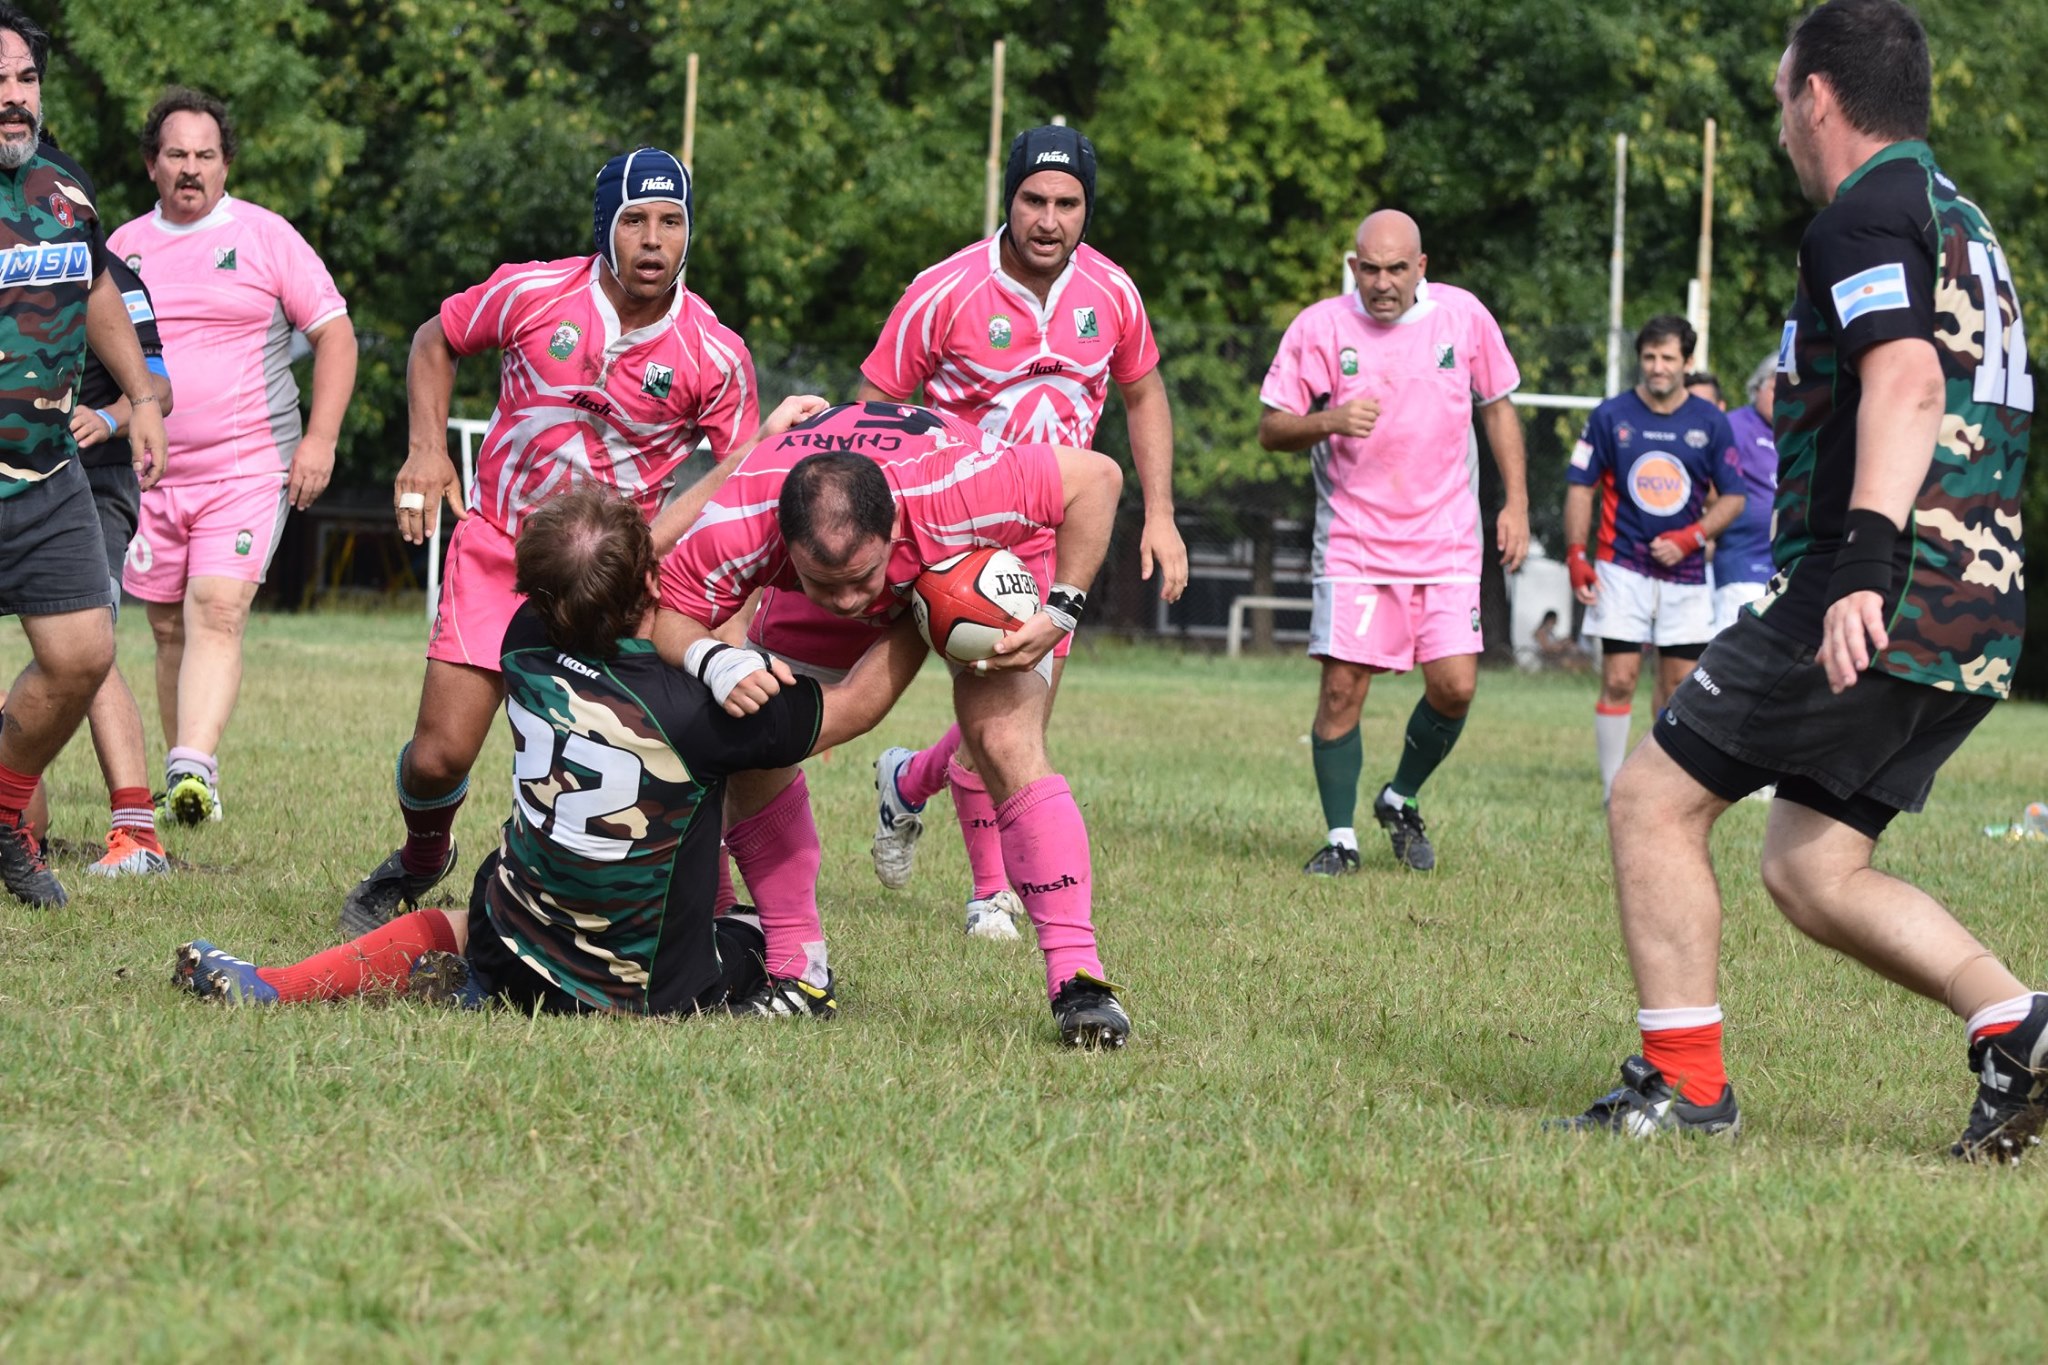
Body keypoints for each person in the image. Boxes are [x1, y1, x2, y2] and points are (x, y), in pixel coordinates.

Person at [1557, 0, 2044, 1161]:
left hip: (1874, 588)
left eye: (1782, 99)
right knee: (1810, 864)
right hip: (1977, 614)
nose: (1779, 123)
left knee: (1649, 802)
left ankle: (1684, 1088)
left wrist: (1862, 565)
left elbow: (1911, 384)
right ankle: (2016, 1025)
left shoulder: (1860, 214)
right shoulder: (1957, 220)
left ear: (1815, 97)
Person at [174, 484, 927, 1014]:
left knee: (467, 922)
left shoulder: (524, 642)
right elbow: (855, 706)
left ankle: (278, 982)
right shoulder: (706, 713)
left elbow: (618, 578)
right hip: (644, 987)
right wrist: (923, 605)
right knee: (762, 933)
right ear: (653, 582)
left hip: (514, 944)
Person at [337, 147, 763, 938]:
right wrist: (427, 448)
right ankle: (422, 855)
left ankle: (703, 902)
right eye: (635, 220)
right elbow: (435, 340)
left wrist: (736, 625)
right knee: (438, 757)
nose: (653, 240)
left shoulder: (715, 352)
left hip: (613, 578)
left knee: (651, 751)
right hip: (500, 545)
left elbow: (744, 478)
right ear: (607, 227)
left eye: (672, 223)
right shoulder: (533, 292)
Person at [653, 399, 1133, 1048]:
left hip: (960, 556)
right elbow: (668, 612)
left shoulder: (960, 486)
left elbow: (1098, 478)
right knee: (753, 732)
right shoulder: (743, 518)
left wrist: (1063, 609)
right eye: (829, 583)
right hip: (858, 553)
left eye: (862, 580)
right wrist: (714, 660)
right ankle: (799, 973)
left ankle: (1080, 982)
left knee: (1002, 739)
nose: (851, 604)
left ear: (893, 526)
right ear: (784, 545)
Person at [859, 125, 1189, 940]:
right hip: (960, 540)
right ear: (1008, 200)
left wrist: (1160, 514)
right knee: (1006, 722)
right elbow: (872, 401)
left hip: (1059, 532)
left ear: (1087, 207)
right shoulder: (944, 289)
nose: (1049, 219)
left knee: (1019, 723)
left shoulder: (1112, 292)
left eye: (1067, 203)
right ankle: (988, 893)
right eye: (1034, 200)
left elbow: (1143, 395)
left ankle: (908, 781)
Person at [106, 87, 357, 827]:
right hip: (146, 469)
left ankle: (191, 766)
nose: (191, 169)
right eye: (177, 155)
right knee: (165, 626)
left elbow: (336, 335)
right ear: (153, 165)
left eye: (205, 156)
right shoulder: (120, 248)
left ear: (225, 164)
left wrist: (321, 438)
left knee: (218, 605)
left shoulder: (266, 236)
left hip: (248, 466)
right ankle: (187, 764)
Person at [1255, 209, 1529, 876]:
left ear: (1421, 268)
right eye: (1370, 269)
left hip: (1447, 538)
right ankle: (1341, 837)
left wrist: (1516, 501)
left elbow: (1497, 406)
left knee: (1456, 686)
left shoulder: (1462, 318)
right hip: (1355, 540)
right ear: (1355, 267)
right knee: (1344, 690)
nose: (1382, 282)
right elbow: (1271, 428)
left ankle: (1399, 795)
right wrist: (1329, 420)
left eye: (1396, 269)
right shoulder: (1320, 326)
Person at [0, 6, 168, 907]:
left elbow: (94, 282)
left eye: (24, 81)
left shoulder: (64, 190)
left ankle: (3, 816)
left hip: (48, 475)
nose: (12, 99)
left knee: (82, 655)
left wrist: (141, 396)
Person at [1563, 315, 1744, 800]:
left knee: (1679, 686)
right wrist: (1577, 553)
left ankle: (1657, 790)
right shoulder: (1610, 416)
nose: (1658, 367)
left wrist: (1691, 537)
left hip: (1685, 578)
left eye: (1668, 358)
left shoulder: (1711, 423)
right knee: (1619, 679)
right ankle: (1610, 790)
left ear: (1687, 362)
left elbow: (1733, 497)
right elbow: (1580, 487)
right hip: (1621, 569)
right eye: (1649, 357)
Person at [1710, 355, 1780, 633]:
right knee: (1737, 654)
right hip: (1745, 563)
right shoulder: (1735, 427)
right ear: (1757, 388)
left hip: (1786, 566)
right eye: (1777, 388)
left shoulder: (1801, 432)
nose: (1785, 396)